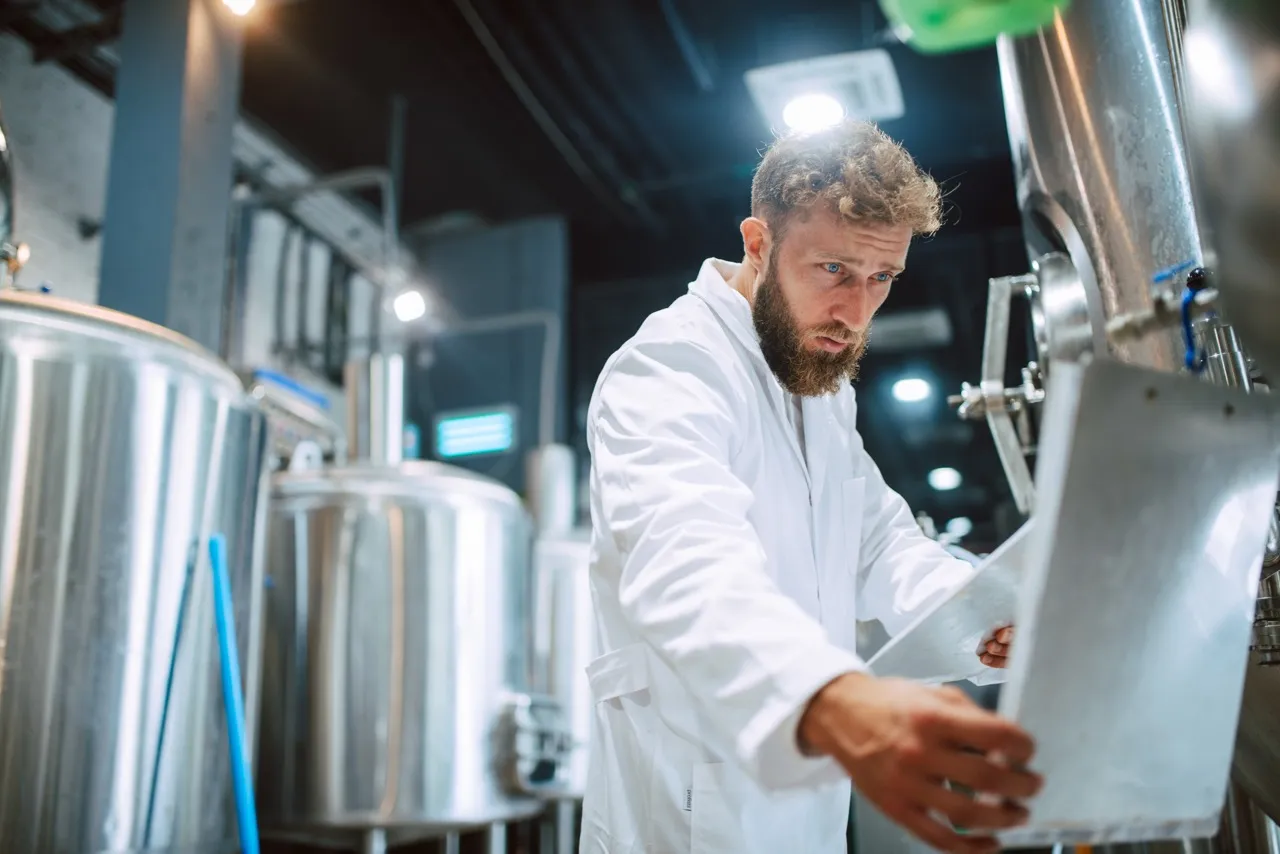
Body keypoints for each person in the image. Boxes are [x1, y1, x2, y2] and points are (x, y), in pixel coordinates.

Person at [580, 120, 1042, 854]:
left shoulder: (818, 386)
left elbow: (878, 543)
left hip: (811, 807)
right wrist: (833, 698)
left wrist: (983, 616)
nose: (856, 314)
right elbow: (684, 561)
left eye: (882, 278)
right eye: (834, 270)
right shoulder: (669, 367)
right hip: (693, 809)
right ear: (758, 244)